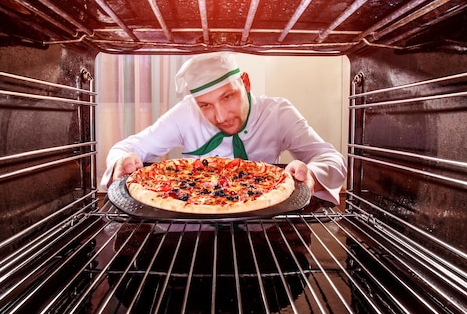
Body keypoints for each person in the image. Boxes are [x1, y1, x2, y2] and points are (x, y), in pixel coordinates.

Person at [101, 52, 346, 204]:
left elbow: (331, 159)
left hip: (261, 229)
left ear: (246, 83)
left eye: (228, 97)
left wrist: (311, 177)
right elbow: (128, 148)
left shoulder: (278, 113)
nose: (219, 116)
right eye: (205, 105)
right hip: (193, 229)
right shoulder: (186, 112)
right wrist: (123, 161)